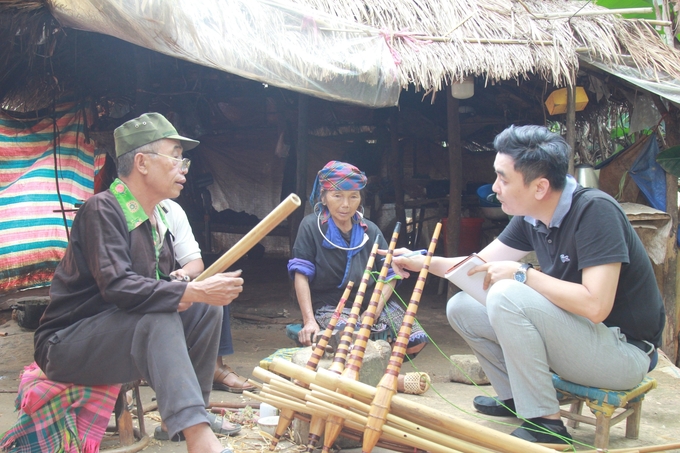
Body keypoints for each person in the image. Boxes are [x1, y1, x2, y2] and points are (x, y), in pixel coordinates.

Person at [388, 125, 665, 444]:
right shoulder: (531, 216)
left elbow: (596, 306)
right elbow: (476, 269)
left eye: (503, 178)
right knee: (462, 306)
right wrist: (419, 261)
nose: (494, 188)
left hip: (623, 353)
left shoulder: (595, 212)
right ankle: (516, 400)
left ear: (540, 187)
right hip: (581, 337)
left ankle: (546, 423)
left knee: (506, 293)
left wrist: (523, 274)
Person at [33, 112, 243, 453]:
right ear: (142, 162)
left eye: (182, 159)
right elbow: (118, 287)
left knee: (206, 309)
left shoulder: (156, 218)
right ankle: (200, 442)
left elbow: (149, 291)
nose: (183, 168)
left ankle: (189, 418)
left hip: (119, 335)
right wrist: (186, 290)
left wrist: (190, 291)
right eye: (175, 157)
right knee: (159, 317)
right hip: (67, 344)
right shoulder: (102, 209)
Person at [287, 160, 429, 371]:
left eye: (353, 196)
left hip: (371, 303)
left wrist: (373, 310)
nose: (346, 204)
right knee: (349, 338)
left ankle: (378, 369)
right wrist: (309, 321)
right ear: (323, 198)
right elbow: (301, 275)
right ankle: (363, 370)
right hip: (331, 305)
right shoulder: (311, 226)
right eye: (337, 196)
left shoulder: (369, 230)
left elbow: (390, 274)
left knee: (416, 340)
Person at [161, 199, 256, 395]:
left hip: (172, 289)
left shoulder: (169, 209)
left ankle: (214, 368)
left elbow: (195, 262)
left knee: (214, 291)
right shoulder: (114, 211)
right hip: (143, 297)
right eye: (174, 165)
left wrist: (182, 276)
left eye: (183, 165)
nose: (182, 171)